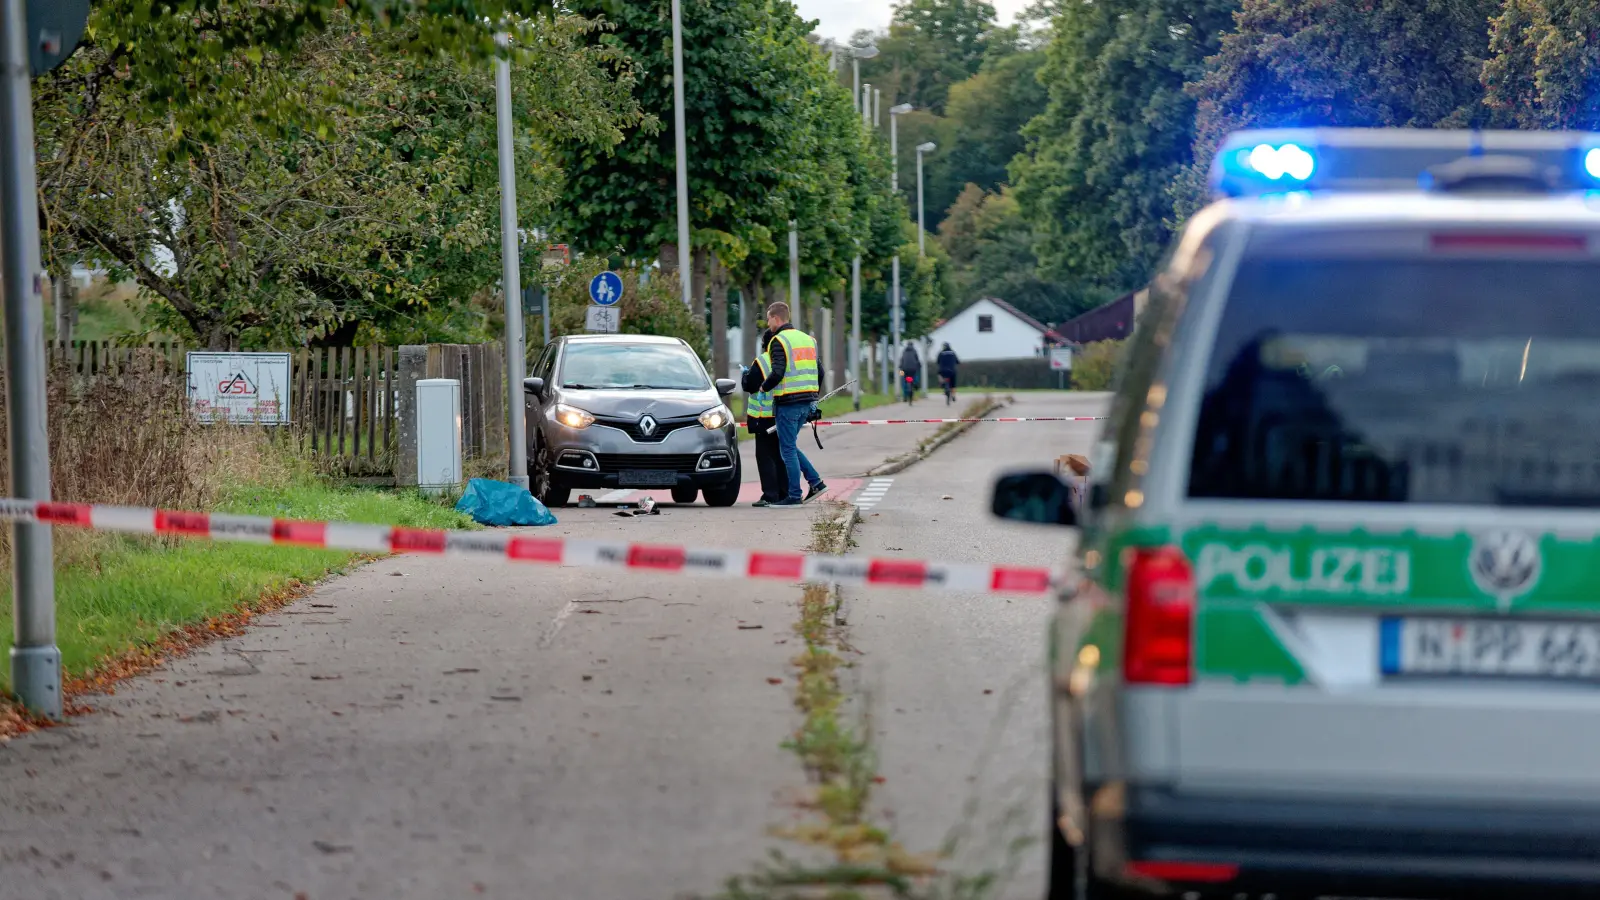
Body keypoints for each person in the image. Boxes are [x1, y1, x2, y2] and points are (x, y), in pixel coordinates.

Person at [759, 301, 827, 507]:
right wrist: (813, 396)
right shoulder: (809, 340)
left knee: (786, 449)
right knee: (789, 446)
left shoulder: (778, 341)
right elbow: (820, 372)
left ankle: (794, 495)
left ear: (776, 318)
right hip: (806, 402)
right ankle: (816, 483)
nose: (767, 322)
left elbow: (778, 372)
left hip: (788, 402)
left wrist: (764, 387)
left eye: (768, 318)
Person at [741, 329, 789, 508]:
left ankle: (770, 495)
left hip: (765, 416)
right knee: (782, 454)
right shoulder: (789, 359)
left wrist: (745, 376)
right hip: (784, 413)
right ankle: (786, 492)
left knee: (765, 455)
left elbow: (750, 384)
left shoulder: (762, 360)